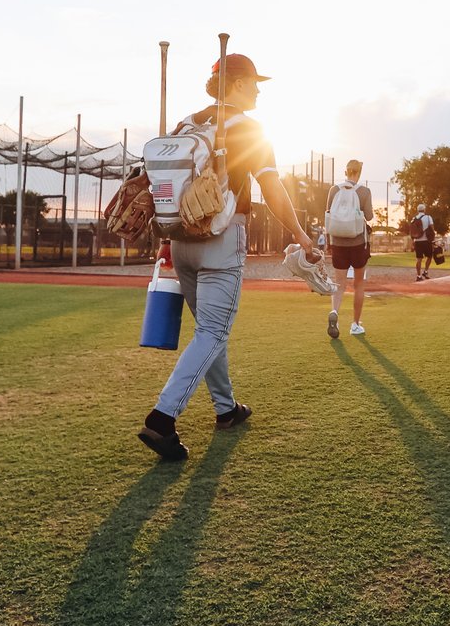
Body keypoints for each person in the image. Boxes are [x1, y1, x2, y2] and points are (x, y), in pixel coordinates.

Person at [138, 52, 315, 462]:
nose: (257, 91)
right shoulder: (250, 128)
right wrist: (302, 235)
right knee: (214, 332)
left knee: (209, 331)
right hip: (221, 237)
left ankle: (226, 408)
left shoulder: (185, 124)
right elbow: (272, 190)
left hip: (179, 242)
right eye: (254, 83)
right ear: (235, 84)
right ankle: (162, 419)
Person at [325, 160, 374, 337]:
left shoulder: (334, 190)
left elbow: (328, 212)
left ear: (345, 171)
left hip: (338, 241)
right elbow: (369, 216)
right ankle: (355, 324)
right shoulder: (364, 191)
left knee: (339, 283)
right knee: (359, 283)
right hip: (358, 242)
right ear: (359, 172)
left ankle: (335, 313)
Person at [410, 203, 435, 281]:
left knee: (419, 259)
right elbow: (432, 228)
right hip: (426, 241)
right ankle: (426, 271)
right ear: (424, 210)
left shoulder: (414, 219)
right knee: (430, 257)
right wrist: (433, 238)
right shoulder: (428, 217)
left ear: (418, 210)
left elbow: (412, 231)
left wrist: (413, 241)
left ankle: (418, 276)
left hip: (417, 241)